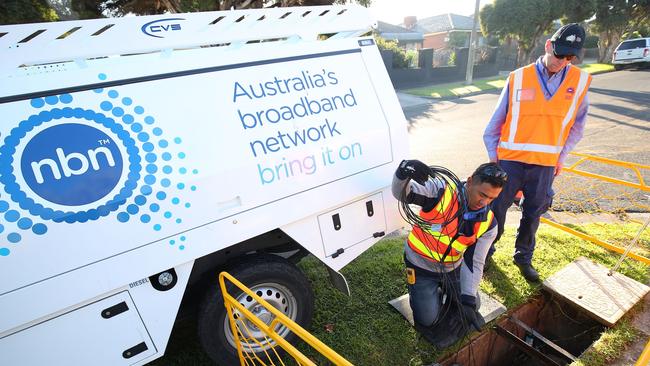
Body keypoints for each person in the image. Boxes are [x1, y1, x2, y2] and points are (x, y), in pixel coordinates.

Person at [483, 23, 592, 282]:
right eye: (559, 54)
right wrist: (493, 156)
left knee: (533, 213)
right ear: (547, 46)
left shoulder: (580, 81)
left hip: (544, 164)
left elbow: (577, 126)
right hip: (510, 162)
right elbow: (495, 123)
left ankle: (523, 257)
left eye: (569, 57)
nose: (562, 61)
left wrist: (560, 157)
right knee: (496, 210)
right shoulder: (518, 77)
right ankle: (484, 254)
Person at [392, 160, 507, 347]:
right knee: (427, 320)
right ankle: (426, 294)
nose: (484, 202)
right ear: (470, 182)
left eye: (492, 199)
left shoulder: (489, 224)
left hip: (452, 269)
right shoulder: (440, 192)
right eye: (482, 194)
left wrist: (468, 301)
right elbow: (401, 193)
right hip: (420, 266)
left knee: (473, 305)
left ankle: (446, 295)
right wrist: (402, 173)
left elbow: (474, 262)